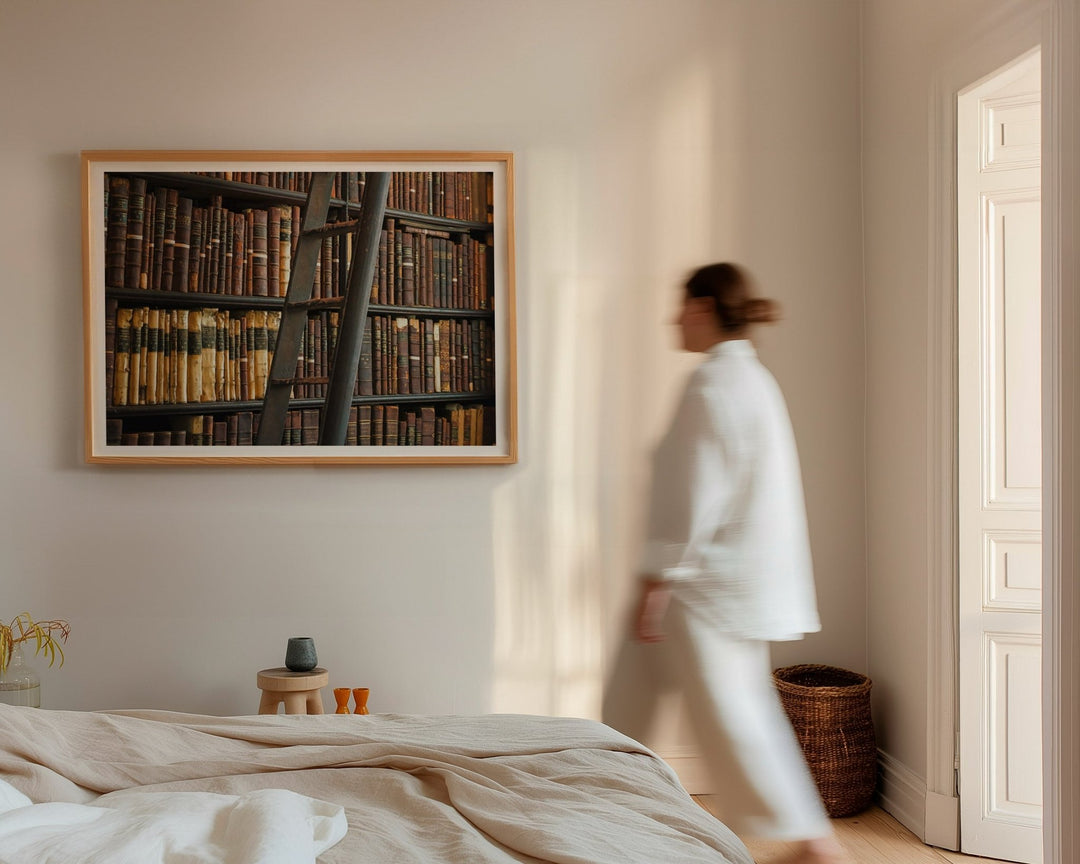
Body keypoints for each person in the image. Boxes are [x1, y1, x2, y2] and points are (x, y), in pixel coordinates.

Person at [602, 263, 848, 864]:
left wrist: (656, 581)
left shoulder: (712, 385)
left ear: (705, 308)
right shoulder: (750, 379)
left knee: (736, 716)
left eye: (681, 306)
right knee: (636, 700)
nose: (673, 318)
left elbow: (693, 496)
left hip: (704, 586)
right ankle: (613, 810)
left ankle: (817, 843)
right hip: (725, 582)